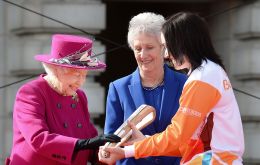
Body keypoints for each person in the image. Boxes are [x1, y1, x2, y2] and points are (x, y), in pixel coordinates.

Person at [99, 12, 245, 165]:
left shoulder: (202, 77)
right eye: (138, 48)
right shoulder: (210, 72)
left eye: (167, 46)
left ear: (182, 43)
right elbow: (187, 141)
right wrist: (131, 149)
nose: (167, 54)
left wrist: (129, 150)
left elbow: (177, 137)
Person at [6, 34, 120, 165]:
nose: (81, 82)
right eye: (77, 74)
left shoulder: (79, 97)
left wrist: (108, 150)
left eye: (85, 75)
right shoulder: (31, 92)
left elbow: (90, 141)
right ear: (56, 69)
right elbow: (38, 138)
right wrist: (82, 144)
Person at [104, 12, 187, 165]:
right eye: (137, 48)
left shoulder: (186, 84)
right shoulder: (118, 88)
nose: (143, 55)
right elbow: (112, 142)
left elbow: (191, 138)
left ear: (164, 48)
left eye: (149, 47)